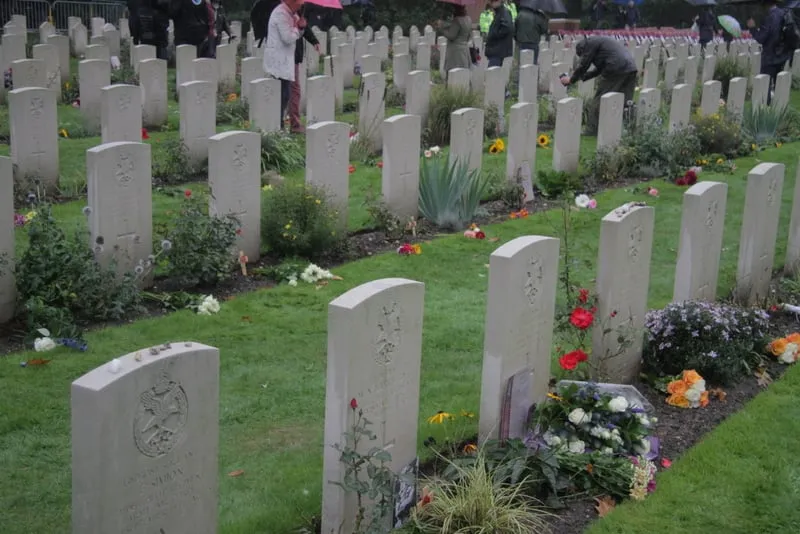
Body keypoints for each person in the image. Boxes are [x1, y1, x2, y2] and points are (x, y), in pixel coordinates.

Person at [560, 36, 638, 135]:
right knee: (626, 102)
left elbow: (584, 65)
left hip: (615, 68)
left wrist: (571, 80)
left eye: (582, 55)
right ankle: (629, 128)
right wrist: (581, 78)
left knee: (599, 99)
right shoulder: (599, 43)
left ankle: (591, 129)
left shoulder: (589, 45)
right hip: (631, 67)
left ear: (583, 50)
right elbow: (598, 70)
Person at [264, 0, 304, 129]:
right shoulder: (281, 14)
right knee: (282, 95)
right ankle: (277, 125)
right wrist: (297, 28)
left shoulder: (291, 14)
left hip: (286, 60)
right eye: (299, 3)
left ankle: (279, 124)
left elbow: (297, 35)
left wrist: (301, 27)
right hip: (278, 60)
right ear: (292, 2)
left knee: (285, 95)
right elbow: (287, 38)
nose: (301, 5)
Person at [748, 1, 794, 99]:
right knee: (779, 85)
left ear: (766, 4)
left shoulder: (769, 18)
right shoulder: (783, 13)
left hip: (770, 57)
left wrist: (752, 28)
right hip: (782, 55)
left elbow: (761, 38)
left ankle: (766, 105)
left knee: (764, 86)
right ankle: (780, 105)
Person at [289, 10, 320, 133]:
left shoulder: (295, 13)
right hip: (287, 57)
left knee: (291, 90)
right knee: (293, 90)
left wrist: (314, 41)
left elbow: (304, 28)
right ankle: (294, 124)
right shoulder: (284, 13)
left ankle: (292, 122)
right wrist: (299, 28)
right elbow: (289, 36)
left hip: (293, 57)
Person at [438, 5, 472, 78]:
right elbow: (469, 35)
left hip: (455, 52)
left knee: (452, 74)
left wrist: (441, 29)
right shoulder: (468, 19)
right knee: (463, 74)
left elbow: (451, 36)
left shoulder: (457, 20)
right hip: (464, 49)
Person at [485, 0, 513, 68]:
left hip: (498, 50)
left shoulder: (504, 12)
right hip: (496, 49)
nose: (491, 3)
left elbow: (507, 28)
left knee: (492, 71)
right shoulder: (499, 12)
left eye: (493, 1)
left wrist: (494, 34)